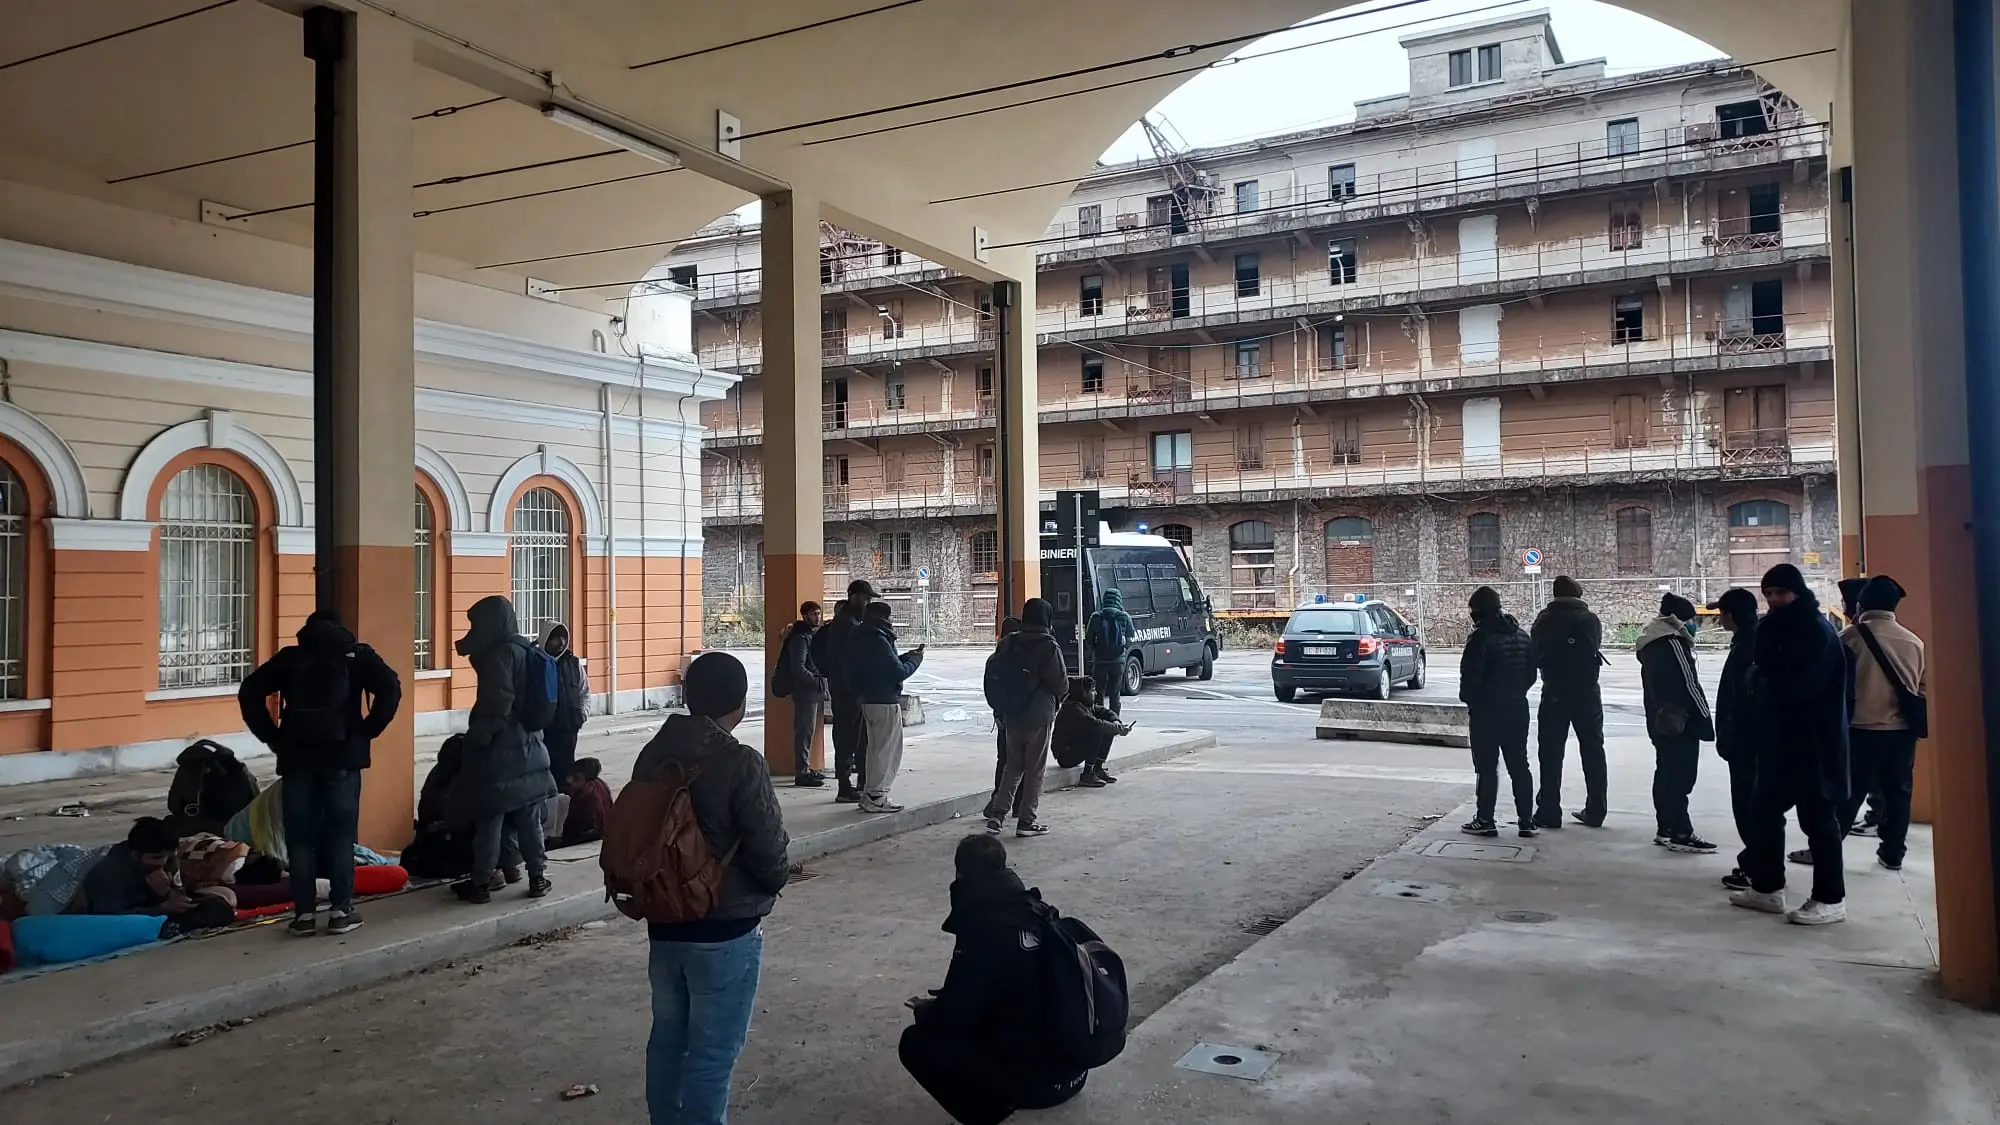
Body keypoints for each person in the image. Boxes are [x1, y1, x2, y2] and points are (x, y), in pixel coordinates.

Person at [630, 651, 790, 1125]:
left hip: (664, 920)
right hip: (726, 926)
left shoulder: (653, 753)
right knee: (713, 1052)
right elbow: (769, 853)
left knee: (669, 1039)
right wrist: (776, 877)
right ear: (739, 704)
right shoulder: (740, 762)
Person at [899, 834, 1087, 1125]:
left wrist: (927, 1011)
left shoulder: (983, 929)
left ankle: (987, 1114)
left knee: (916, 1042)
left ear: (960, 874)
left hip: (1039, 1088)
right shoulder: (1039, 911)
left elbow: (957, 1016)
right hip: (1074, 1070)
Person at [237, 609, 402, 936]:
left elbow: (250, 692)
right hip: (342, 758)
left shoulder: (291, 658)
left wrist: (272, 736)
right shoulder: (357, 656)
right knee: (341, 835)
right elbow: (392, 690)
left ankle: (304, 915)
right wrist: (367, 730)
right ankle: (341, 911)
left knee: (300, 837)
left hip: (297, 758)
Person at [1734, 564, 1852, 925]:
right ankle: (1768, 888)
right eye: (1768, 593)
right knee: (1764, 811)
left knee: (1818, 820)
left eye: (1780, 593)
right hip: (1780, 741)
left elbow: (1800, 686)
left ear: (1797, 592)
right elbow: (1763, 672)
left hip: (1814, 742)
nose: (1773, 600)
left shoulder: (1817, 631)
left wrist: (1764, 683)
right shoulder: (1774, 628)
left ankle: (1831, 898)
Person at [448, 595, 558, 904]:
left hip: (502, 752)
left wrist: (477, 739)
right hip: (532, 747)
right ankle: (538, 877)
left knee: (489, 819)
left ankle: (481, 882)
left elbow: (497, 704)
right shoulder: (526, 650)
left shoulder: (501, 656)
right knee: (529, 819)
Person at [1837, 575, 1926, 872]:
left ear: (1861, 603)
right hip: (1902, 732)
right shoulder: (1914, 641)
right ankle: (1892, 853)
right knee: (1898, 794)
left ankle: (1826, 846)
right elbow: (1922, 687)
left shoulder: (1850, 637)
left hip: (1861, 729)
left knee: (1849, 793)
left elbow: (1837, 683)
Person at [1636, 593, 1717, 853]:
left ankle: (1666, 828)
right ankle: (1681, 831)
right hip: (1680, 721)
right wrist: (1705, 718)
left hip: (1659, 720)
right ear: (1677, 620)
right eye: (1690, 620)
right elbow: (1690, 685)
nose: (1692, 625)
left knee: (1665, 773)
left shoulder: (1650, 642)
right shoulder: (1671, 643)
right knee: (1680, 777)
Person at [984, 598, 1069, 838]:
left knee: (1013, 766)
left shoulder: (1009, 642)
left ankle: (997, 816)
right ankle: (1026, 821)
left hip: (1011, 715)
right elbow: (1061, 684)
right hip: (1038, 716)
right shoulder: (1048, 646)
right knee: (1034, 771)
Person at [1459, 587, 1538, 839]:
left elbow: (1470, 678)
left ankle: (1485, 819)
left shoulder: (1480, 638)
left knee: (1486, 767)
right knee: (1519, 765)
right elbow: (1530, 675)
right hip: (1517, 708)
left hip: (1486, 711)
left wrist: (1471, 700)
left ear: (1478, 612)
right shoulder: (1522, 635)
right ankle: (1526, 821)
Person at [1529, 575, 1606, 829]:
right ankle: (1596, 810)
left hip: (1555, 692)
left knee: (1550, 753)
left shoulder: (1545, 619)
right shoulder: (1590, 620)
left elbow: (1535, 653)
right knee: (1593, 750)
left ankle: (1549, 810)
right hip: (1587, 692)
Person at [1709, 588, 1767, 891]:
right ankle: (1758, 863)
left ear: (1732, 615)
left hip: (1748, 743)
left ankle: (1758, 868)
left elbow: (1742, 700)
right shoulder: (1751, 641)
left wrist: (1731, 738)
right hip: (1750, 742)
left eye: (1722, 614)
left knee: (1748, 808)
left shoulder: (1749, 646)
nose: (1720, 620)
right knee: (1752, 807)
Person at [77, 817, 231, 929]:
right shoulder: (112, 870)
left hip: (155, 907)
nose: (163, 862)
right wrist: (161, 908)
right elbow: (110, 915)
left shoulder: (169, 859)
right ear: (136, 856)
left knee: (220, 905)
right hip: (120, 914)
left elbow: (179, 892)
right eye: (156, 858)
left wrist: (165, 892)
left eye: (167, 856)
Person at [848, 600, 925, 814]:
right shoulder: (879, 638)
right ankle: (877, 795)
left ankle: (869, 793)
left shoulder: (859, 636)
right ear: (886, 618)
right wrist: (915, 661)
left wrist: (906, 657)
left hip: (867, 699)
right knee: (887, 751)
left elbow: (885, 665)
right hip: (885, 700)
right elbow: (897, 672)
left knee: (874, 750)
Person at [811, 580, 876, 803]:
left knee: (858, 738)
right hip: (848, 691)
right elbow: (851, 659)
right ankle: (845, 786)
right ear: (854, 596)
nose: (867, 603)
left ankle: (857, 783)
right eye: (866, 598)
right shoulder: (846, 626)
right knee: (848, 737)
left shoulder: (849, 622)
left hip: (848, 689)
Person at [1835, 576, 1884, 836]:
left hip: (1859, 718)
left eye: (1845, 601)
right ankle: (1885, 830)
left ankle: (1840, 830)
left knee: (1857, 778)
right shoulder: (1906, 637)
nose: (1842, 606)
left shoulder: (1850, 636)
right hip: (1892, 721)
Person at [778, 601, 828, 788]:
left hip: (811, 690)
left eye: (819, 614)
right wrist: (818, 682)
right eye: (814, 614)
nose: (817, 618)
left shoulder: (807, 634)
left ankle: (806, 768)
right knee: (804, 731)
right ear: (805, 615)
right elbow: (798, 668)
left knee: (808, 731)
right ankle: (802, 771)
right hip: (806, 691)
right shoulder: (800, 638)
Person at [1052, 676, 1132, 788]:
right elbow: (1095, 725)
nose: (1096, 693)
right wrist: (1118, 729)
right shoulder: (1073, 709)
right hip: (1065, 754)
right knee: (1097, 731)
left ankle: (1097, 768)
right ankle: (1087, 774)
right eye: (1092, 690)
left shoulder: (1085, 704)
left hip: (1075, 745)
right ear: (1084, 692)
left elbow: (1106, 712)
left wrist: (1116, 722)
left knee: (1109, 727)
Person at [539, 622, 590, 795]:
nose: (561, 642)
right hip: (544, 732)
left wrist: (581, 715)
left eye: (563, 637)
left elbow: (585, 692)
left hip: (568, 731)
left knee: (566, 774)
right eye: (555, 638)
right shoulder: (536, 664)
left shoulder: (574, 664)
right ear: (545, 640)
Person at [1083, 588, 1135, 717]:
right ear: (1119, 600)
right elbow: (1131, 636)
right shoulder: (1124, 616)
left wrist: (1095, 650)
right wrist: (1123, 648)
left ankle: (1099, 721)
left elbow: (1088, 638)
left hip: (1100, 661)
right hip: (1118, 661)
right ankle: (1114, 721)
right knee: (1114, 694)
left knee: (1098, 693)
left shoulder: (1096, 617)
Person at [549, 757, 614, 849]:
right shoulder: (595, 784)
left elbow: (592, 836)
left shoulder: (591, 807)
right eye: (570, 776)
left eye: (576, 778)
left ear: (590, 785)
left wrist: (560, 842)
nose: (569, 781)